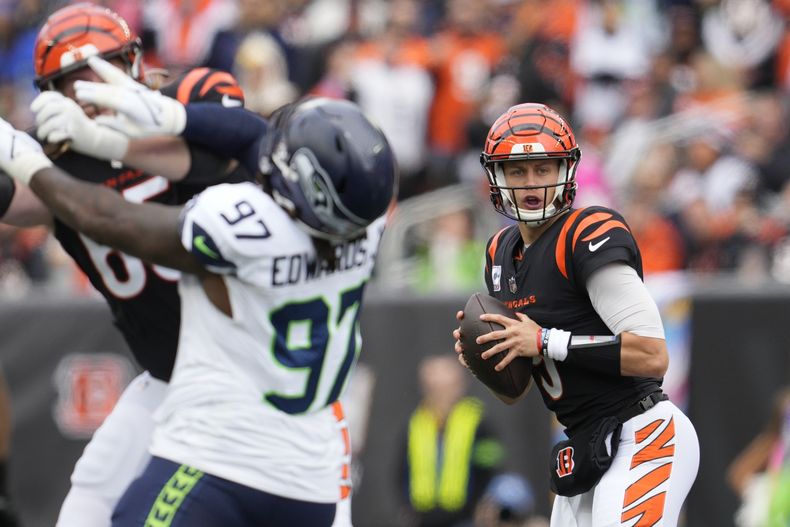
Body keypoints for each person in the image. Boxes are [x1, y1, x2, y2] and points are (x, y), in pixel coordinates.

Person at [0, 58, 397, 525]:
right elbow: (254, 138)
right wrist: (167, 120)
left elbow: (112, 219)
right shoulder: (363, 228)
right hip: (309, 470)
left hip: (223, 452)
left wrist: (28, 163)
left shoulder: (248, 226)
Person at [0, 4, 247, 526]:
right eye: (74, 81)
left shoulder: (187, 102)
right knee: (87, 506)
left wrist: (116, 138)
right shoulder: (56, 168)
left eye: (105, 68)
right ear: (50, 93)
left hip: (250, 373)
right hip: (167, 376)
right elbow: (15, 196)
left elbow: (232, 146)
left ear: (135, 62)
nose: (92, 90)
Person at [452, 103, 699, 526]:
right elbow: (517, 392)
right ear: (496, 178)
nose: (531, 183)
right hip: (584, 444)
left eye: (543, 168)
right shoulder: (499, 253)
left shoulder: (587, 232)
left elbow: (653, 355)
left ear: (566, 171)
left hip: (642, 431)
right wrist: (490, 358)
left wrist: (545, 340)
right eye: (517, 171)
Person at [398, 354, 504, 527]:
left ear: (459, 386)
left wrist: (479, 507)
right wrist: (408, 507)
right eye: (433, 387)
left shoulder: (477, 421)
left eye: (445, 387)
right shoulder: (416, 423)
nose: (440, 394)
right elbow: (402, 470)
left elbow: (490, 468)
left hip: (465, 518)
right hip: (423, 519)